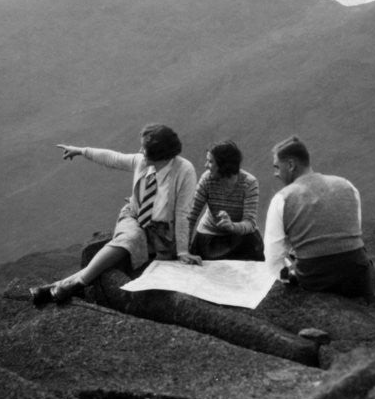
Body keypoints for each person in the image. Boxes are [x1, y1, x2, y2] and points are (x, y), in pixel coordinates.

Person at [30, 124, 199, 306]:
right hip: (134, 215)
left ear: (159, 154)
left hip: (162, 232)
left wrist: (182, 251)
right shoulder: (142, 162)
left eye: (144, 149)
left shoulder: (184, 171)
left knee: (118, 257)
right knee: (131, 238)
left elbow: (183, 212)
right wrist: (80, 151)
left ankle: (54, 287)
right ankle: (78, 284)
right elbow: (114, 158)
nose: (140, 151)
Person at [263, 136, 375, 298]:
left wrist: (284, 280)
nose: (275, 174)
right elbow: (354, 233)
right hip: (359, 281)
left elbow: (273, 256)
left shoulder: (282, 199)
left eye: (276, 167)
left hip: (315, 282)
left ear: (290, 165)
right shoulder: (347, 185)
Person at [186, 140, 263, 261]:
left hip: (240, 238)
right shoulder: (207, 179)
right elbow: (191, 216)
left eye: (210, 161)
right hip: (210, 238)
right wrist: (184, 250)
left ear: (224, 165)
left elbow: (250, 223)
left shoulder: (249, 183)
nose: (206, 165)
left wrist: (232, 226)